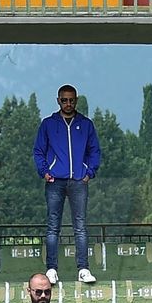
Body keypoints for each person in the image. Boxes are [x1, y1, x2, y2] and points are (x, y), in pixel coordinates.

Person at [33, 84, 101, 284]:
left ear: (76, 101)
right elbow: (38, 151)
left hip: (79, 181)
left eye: (71, 100)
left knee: (80, 226)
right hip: (55, 181)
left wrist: (89, 172)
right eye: (64, 100)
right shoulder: (48, 124)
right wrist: (44, 172)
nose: (68, 103)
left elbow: (94, 150)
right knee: (53, 226)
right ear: (58, 101)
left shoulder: (86, 124)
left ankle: (83, 269)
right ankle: (51, 269)